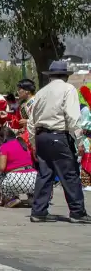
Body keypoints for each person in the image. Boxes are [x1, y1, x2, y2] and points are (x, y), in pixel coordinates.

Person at [27, 61, 90, 224]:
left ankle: (39, 211)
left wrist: (34, 142)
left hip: (42, 136)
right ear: (66, 76)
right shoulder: (68, 90)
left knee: (44, 174)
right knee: (69, 174)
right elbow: (72, 117)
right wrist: (80, 140)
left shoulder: (41, 93)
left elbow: (31, 121)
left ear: (50, 76)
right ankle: (77, 211)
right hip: (58, 136)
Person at [0, 125, 37, 207]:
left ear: (2, 138)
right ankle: (32, 198)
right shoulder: (22, 143)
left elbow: (1, 167)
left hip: (16, 180)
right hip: (33, 178)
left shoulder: (4, 147)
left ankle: (12, 198)